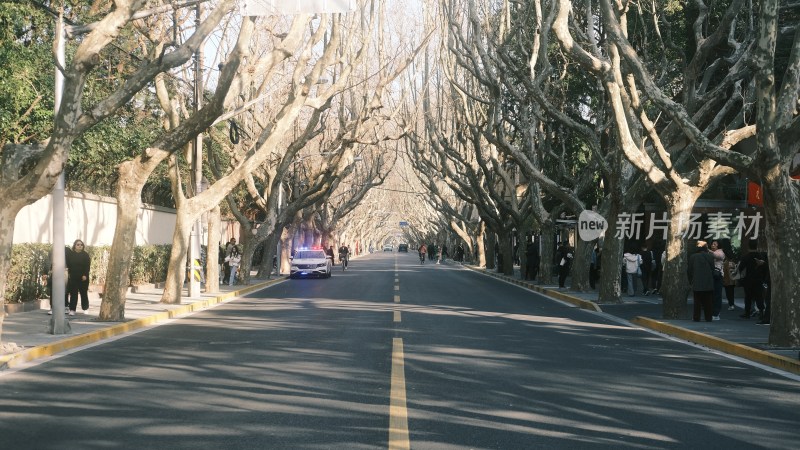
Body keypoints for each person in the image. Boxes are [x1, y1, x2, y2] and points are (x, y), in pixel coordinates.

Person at [738, 240, 767, 320]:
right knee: (759, 296)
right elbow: (765, 268)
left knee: (748, 297)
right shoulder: (761, 256)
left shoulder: (745, 257)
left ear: (748, 246)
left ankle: (747, 313)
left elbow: (740, 268)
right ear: (757, 246)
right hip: (758, 279)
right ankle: (761, 312)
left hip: (748, 280)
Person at [688, 241, 715, 322]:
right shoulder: (710, 256)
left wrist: (691, 280)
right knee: (708, 302)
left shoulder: (693, 257)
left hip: (697, 282)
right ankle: (708, 317)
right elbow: (712, 269)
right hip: (708, 282)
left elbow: (690, 270)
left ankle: (696, 317)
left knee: (697, 302)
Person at [66, 239, 91, 316]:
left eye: (81, 245)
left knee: (83, 293)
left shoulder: (85, 255)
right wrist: (69, 273)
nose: (80, 246)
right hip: (73, 277)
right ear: (74, 246)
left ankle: (85, 308)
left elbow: (87, 266)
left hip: (83, 277)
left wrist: (85, 275)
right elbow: (68, 265)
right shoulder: (71, 255)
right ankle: (72, 309)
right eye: (78, 244)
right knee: (73, 294)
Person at [709, 240, 726, 320]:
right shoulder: (711, 252)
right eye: (712, 244)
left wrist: (707, 249)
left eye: (715, 244)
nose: (713, 245)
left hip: (718, 276)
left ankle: (716, 314)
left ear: (718, 246)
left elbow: (718, 256)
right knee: (712, 295)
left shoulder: (720, 252)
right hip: (712, 275)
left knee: (717, 295)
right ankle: (713, 312)